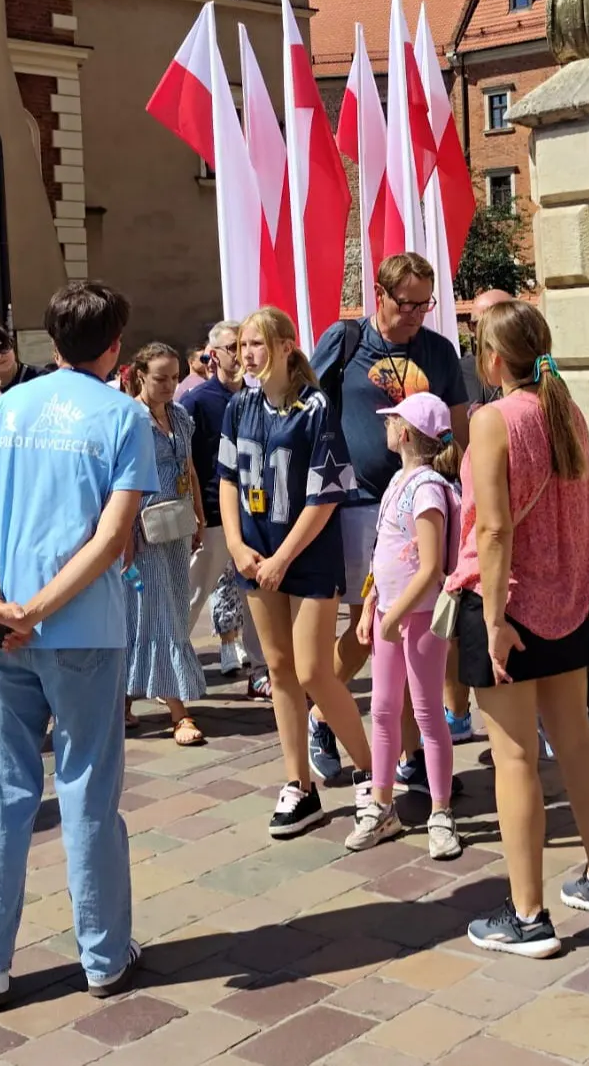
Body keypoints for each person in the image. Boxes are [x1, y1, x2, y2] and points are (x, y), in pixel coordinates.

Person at [0, 281, 154, 1009]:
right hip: (83, 629)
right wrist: (34, 610)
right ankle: (103, 955)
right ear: (115, 346)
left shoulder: (7, 407)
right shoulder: (125, 415)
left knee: (1, 792)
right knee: (89, 789)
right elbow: (111, 536)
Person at [448, 300, 589, 958]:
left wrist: (494, 618)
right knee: (576, 742)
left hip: (510, 603)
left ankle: (528, 915)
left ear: (494, 359)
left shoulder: (494, 419)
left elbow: (493, 529)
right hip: (564, 604)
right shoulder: (565, 410)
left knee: (516, 757)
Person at [306, 252, 469, 786]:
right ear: (379, 294)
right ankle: (323, 713)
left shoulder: (439, 351)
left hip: (422, 500)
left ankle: (409, 753)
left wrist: (460, 493)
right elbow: (310, 406)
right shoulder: (347, 341)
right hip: (358, 503)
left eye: (425, 304)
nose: (416, 314)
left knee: (416, 623)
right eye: (406, 304)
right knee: (371, 626)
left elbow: (458, 429)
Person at [220, 306, 373, 837]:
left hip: (306, 557)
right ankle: (298, 784)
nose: (247, 355)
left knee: (313, 671)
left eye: (256, 344)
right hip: (254, 554)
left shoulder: (316, 407)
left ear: (286, 346)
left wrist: (284, 557)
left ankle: (370, 773)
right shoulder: (238, 407)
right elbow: (227, 479)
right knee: (279, 671)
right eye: (242, 345)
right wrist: (236, 545)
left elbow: (326, 495)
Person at [346, 392, 462, 860]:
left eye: (392, 421)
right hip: (391, 615)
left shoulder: (427, 489)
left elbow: (431, 566)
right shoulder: (400, 480)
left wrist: (393, 614)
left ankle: (441, 811)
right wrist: (372, 604)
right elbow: (385, 551)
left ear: (408, 434)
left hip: (419, 617)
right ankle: (381, 804)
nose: (386, 426)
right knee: (383, 708)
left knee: (427, 712)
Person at [123, 343, 208, 746]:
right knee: (159, 613)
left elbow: (189, 466)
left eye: (175, 377)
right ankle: (178, 710)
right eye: (161, 378)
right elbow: (120, 481)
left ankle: (122, 699)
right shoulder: (130, 419)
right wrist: (123, 535)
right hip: (142, 527)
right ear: (140, 375)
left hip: (177, 522)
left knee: (158, 609)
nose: (170, 385)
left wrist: (199, 513)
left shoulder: (180, 415)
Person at [179, 320, 265, 683]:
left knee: (256, 596)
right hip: (213, 515)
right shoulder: (196, 401)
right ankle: (169, 668)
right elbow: (183, 460)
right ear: (213, 355)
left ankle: (261, 670)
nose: (240, 354)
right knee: (194, 593)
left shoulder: (257, 397)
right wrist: (194, 512)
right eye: (232, 347)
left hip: (254, 514)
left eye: (244, 345)